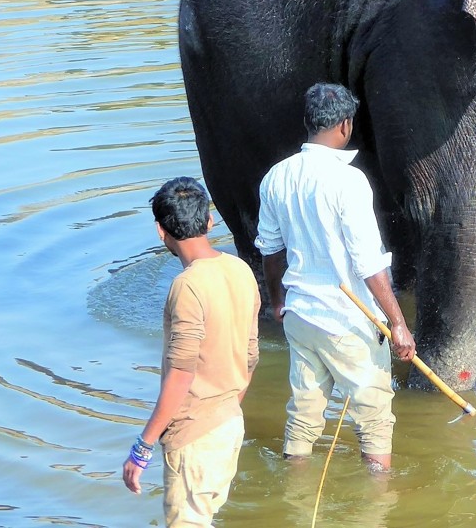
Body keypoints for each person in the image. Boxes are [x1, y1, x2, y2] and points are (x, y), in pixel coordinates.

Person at [256, 82, 416, 473]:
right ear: (345, 126)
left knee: (304, 417)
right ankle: (377, 505)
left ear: (309, 123)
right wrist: (398, 324)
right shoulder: (349, 181)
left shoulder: (276, 177)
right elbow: (368, 263)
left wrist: (277, 301)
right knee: (375, 422)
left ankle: (297, 492)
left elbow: (270, 252)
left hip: (301, 316)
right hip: (347, 320)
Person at [123, 177, 261, 528]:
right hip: (230, 424)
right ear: (210, 221)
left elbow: (181, 373)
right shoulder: (240, 270)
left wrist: (143, 446)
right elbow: (250, 356)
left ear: (160, 231)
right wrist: (228, 407)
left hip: (194, 436)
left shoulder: (187, 286)